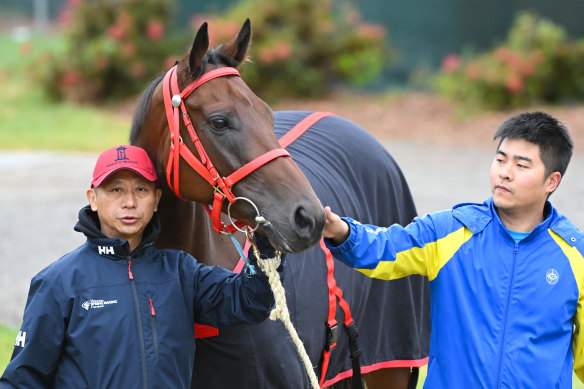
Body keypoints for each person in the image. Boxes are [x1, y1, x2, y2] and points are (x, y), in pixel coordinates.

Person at [322, 111, 584, 388]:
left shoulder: (575, 255)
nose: (504, 173)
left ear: (551, 181)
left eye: (521, 165)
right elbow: (385, 248)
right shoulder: (450, 231)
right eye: (500, 160)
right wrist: (343, 232)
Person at [0, 145, 281, 388]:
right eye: (116, 189)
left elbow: (251, 300)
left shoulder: (181, 272)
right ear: (93, 199)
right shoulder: (58, 282)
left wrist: (267, 242)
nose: (130, 202)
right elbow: (23, 380)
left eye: (141, 189)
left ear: (156, 199)